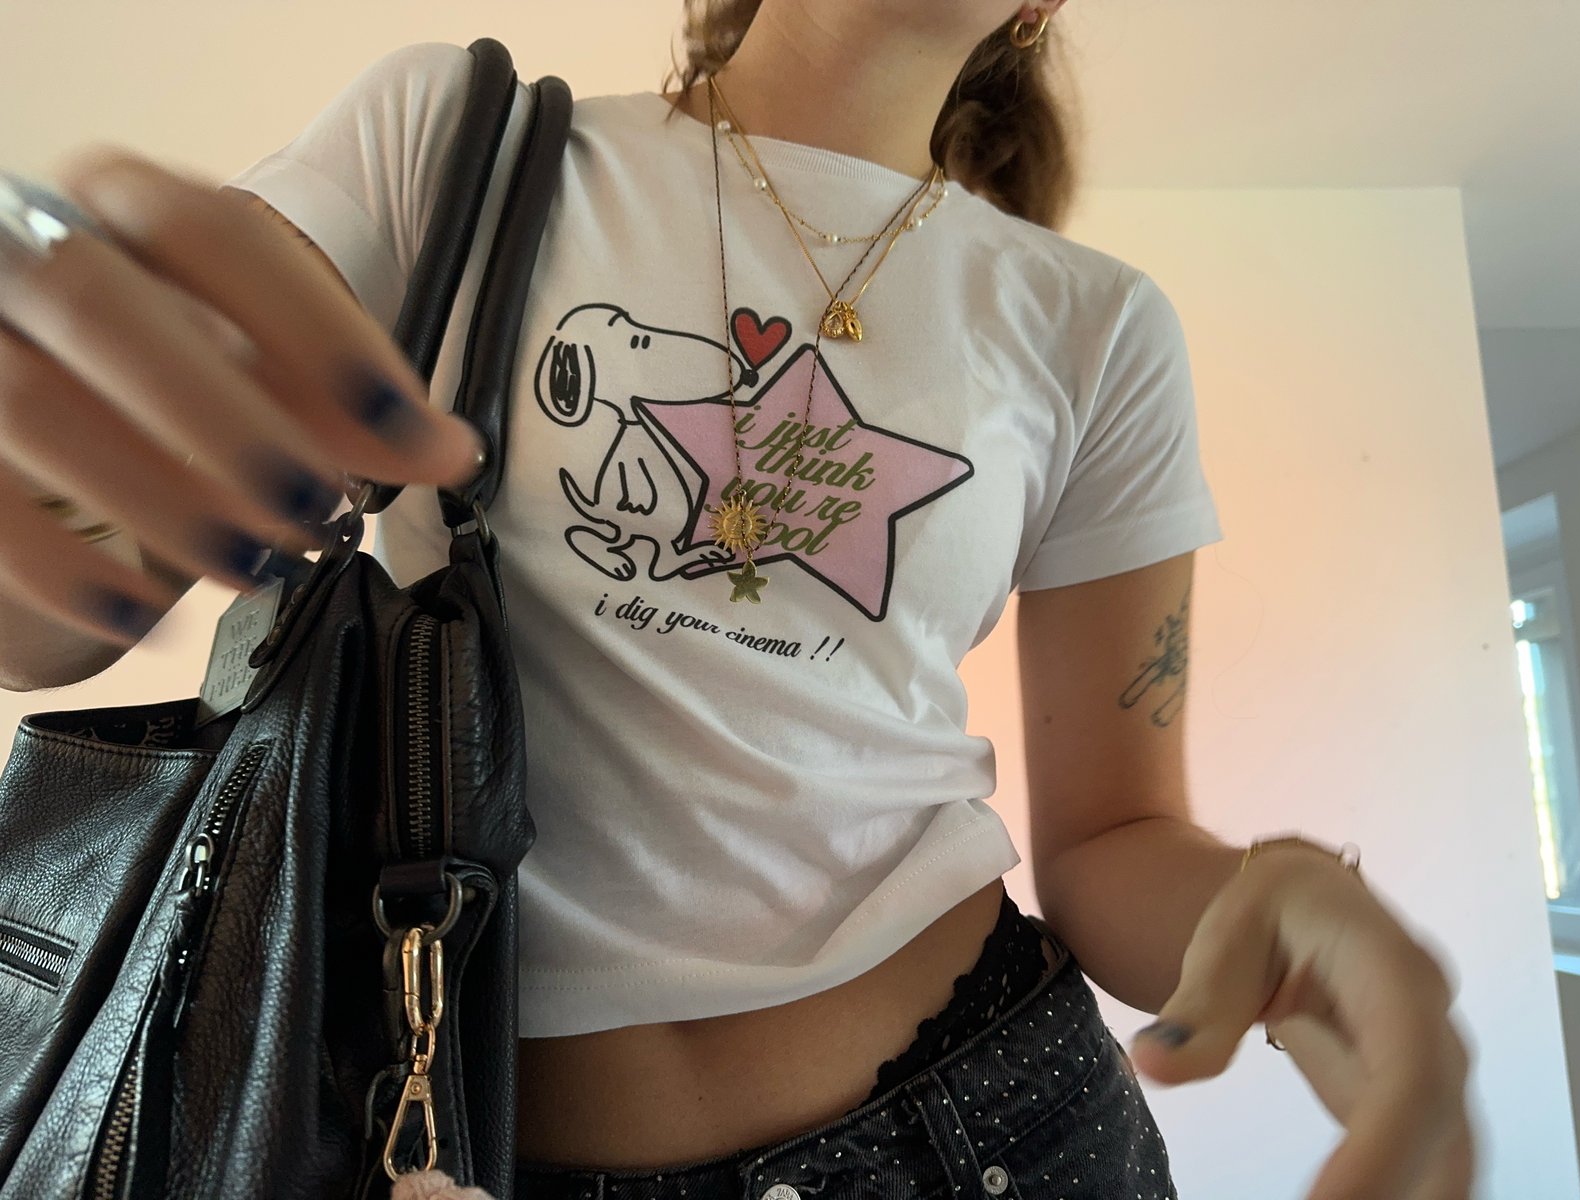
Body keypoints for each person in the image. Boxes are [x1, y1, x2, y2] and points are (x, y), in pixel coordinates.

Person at [0, 2, 1476, 1197]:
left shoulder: (1096, 327)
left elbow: (1110, 843)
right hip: (479, 1150)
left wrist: (1278, 907)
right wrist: (49, 464)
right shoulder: (458, 142)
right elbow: (67, 584)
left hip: (1000, 1131)